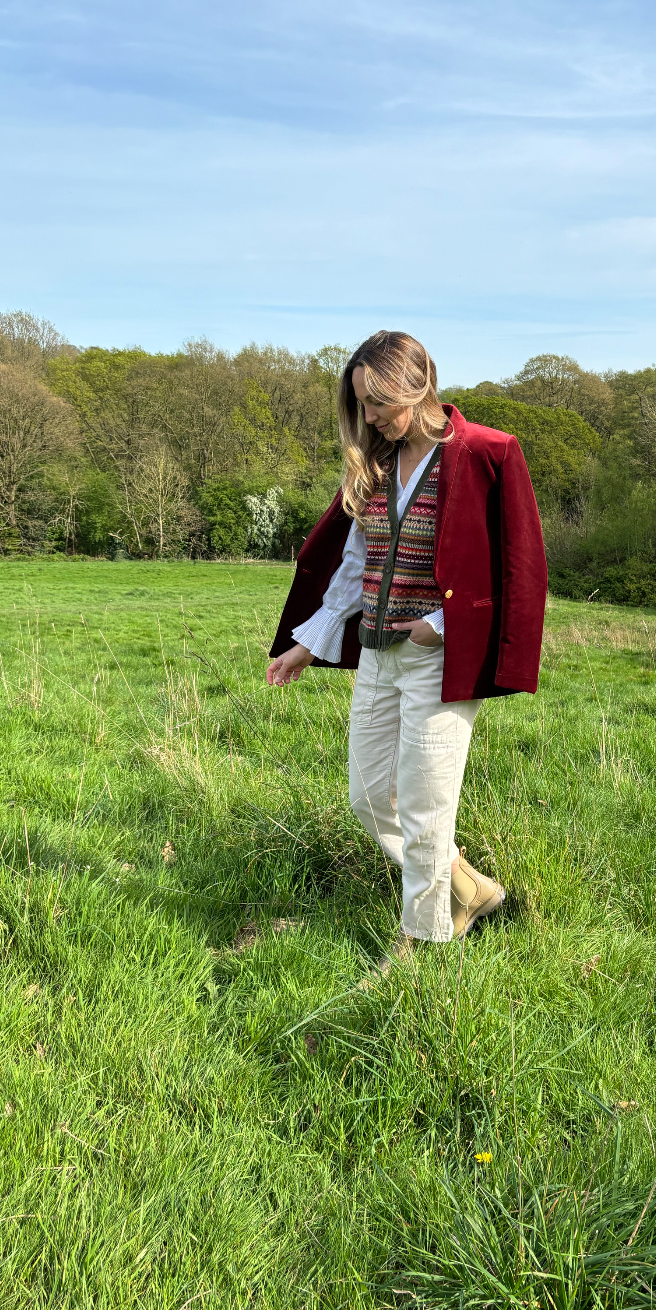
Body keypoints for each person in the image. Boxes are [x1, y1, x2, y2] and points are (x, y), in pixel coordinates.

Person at [267, 331, 547, 973]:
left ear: (415, 388)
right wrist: (306, 646)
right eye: (361, 406)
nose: (368, 418)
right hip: (376, 653)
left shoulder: (485, 454)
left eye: (376, 403)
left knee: (425, 805)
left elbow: (520, 566)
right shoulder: (379, 466)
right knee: (369, 797)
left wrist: (442, 623)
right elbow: (355, 564)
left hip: (437, 660)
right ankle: (470, 888)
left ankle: (421, 944)